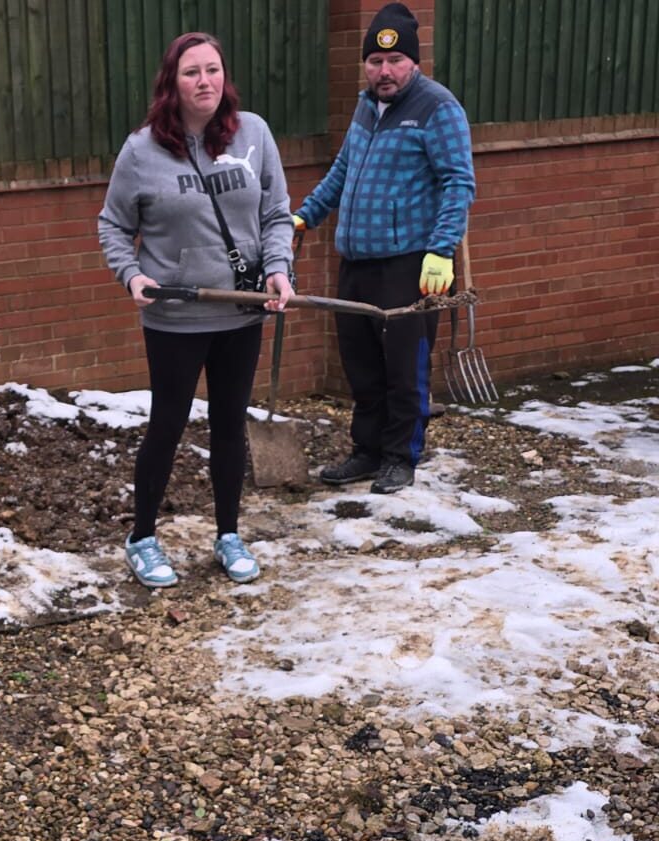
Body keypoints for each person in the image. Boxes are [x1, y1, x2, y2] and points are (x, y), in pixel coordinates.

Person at [98, 31, 294, 588]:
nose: (204, 81)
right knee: (168, 424)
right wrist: (132, 274)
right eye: (191, 72)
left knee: (230, 424)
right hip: (177, 316)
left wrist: (279, 269)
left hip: (242, 308)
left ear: (224, 77)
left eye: (213, 70)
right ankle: (142, 537)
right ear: (172, 83)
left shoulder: (253, 133)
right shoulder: (143, 151)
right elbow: (113, 224)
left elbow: (277, 213)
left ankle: (228, 534)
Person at [293, 3, 475, 495]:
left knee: (404, 369)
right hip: (357, 258)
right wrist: (305, 214)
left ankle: (400, 457)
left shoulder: (438, 108)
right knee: (362, 365)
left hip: (411, 264)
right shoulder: (365, 106)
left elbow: (459, 183)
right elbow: (342, 171)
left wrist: (440, 251)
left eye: (394, 61)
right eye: (375, 61)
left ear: (413, 62)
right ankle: (367, 451)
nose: (384, 71)